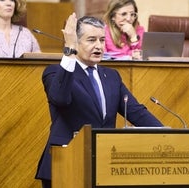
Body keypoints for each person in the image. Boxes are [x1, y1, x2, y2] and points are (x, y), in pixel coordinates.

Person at [35, 13, 163, 188]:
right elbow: (61, 99)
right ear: (76, 42)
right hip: (65, 163)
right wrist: (69, 49)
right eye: (91, 40)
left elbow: (136, 112)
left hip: (104, 164)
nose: (98, 46)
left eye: (102, 40)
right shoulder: (56, 72)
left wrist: (167, 134)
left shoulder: (111, 76)